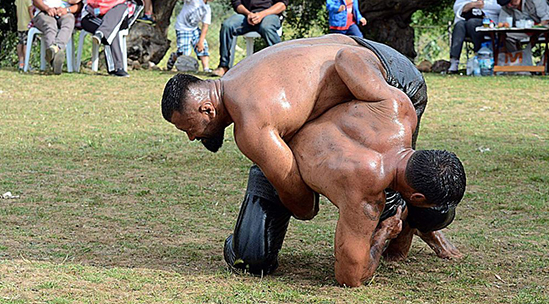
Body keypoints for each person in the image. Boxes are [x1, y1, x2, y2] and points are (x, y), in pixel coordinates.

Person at [161, 34, 428, 275]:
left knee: (389, 176)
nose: (192, 137)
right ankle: (407, 226)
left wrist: (288, 169)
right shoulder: (237, 74)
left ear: (207, 109)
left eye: (188, 128)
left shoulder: (251, 125)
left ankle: (415, 228)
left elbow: (305, 206)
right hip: (374, 56)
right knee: (252, 252)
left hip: (388, 75)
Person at [281, 92, 466, 287]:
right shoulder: (367, 190)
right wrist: (384, 232)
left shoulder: (400, 111)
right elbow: (350, 277)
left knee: (434, 213)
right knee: (257, 257)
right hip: (280, 161)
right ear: (417, 197)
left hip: (294, 112)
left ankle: (420, 228)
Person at [209, 0, 287, 77]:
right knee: (227, 25)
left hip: (269, 15)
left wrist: (261, 14)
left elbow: (282, 5)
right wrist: (249, 14)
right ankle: (223, 66)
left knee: (266, 27)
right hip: (246, 15)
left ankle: (282, 64)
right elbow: (236, 3)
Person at [497, 0, 549, 71]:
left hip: (547, 27)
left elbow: (546, 20)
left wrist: (535, 33)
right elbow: (503, 24)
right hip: (524, 31)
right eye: (506, 4)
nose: (509, 6)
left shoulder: (535, 1)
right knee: (507, 37)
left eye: (511, 2)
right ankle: (518, 62)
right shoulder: (506, 7)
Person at [82, 0, 137, 77]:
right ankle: (117, 68)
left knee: (121, 9)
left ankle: (101, 33)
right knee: (112, 27)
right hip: (93, 17)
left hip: (118, 14)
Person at [447, 0, 501, 74]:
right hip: (466, 22)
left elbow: (499, 7)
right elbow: (456, 8)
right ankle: (454, 61)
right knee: (459, 25)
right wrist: (470, 5)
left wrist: (483, 5)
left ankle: (478, 56)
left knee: (472, 23)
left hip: (487, 23)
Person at [31, 0, 81, 74]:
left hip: (64, 12)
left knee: (69, 22)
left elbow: (79, 5)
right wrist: (47, 8)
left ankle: (56, 50)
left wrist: (67, 10)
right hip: (44, 12)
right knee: (50, 26)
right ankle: (56, 55)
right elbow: (36, 1)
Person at [167, 0, 212, 72]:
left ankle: (206, 69)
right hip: (182, 28)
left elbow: (205, 26)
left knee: (203, 47)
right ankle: (174, 57)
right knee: (184, 53)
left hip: (194, 29)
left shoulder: (207, 9)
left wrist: (201, 41)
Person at [16, 0, 33, 71]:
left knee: (20, 43)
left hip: (20, 24)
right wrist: (34, 20)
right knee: (26, 45)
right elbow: (30, 10)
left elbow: (17, 12)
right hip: (27, 25)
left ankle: (21, 62)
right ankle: (27, 63)